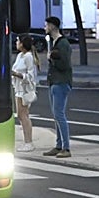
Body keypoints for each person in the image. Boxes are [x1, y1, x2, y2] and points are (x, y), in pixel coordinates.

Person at [43, 16, 74, 158]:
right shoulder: (54, 42)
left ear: (52, 26)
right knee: (56, 115)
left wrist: (52, 58)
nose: (45, 28)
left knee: (59, 114)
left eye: (46, 25)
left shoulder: (63, 43)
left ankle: (66, 148)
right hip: (54, 81)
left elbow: (65, 65)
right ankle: (59, 145)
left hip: (61, 82)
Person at [12, 33, 40, 151]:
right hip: (18, 88)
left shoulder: (28, 57)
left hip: (24, 90)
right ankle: (27, 141)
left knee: (23, 116)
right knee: (21, 115)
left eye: (18, 41)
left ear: (22, 44)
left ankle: (29, 142)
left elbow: (31, 76)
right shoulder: (20, 56)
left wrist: (17, 74)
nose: (16, 43)